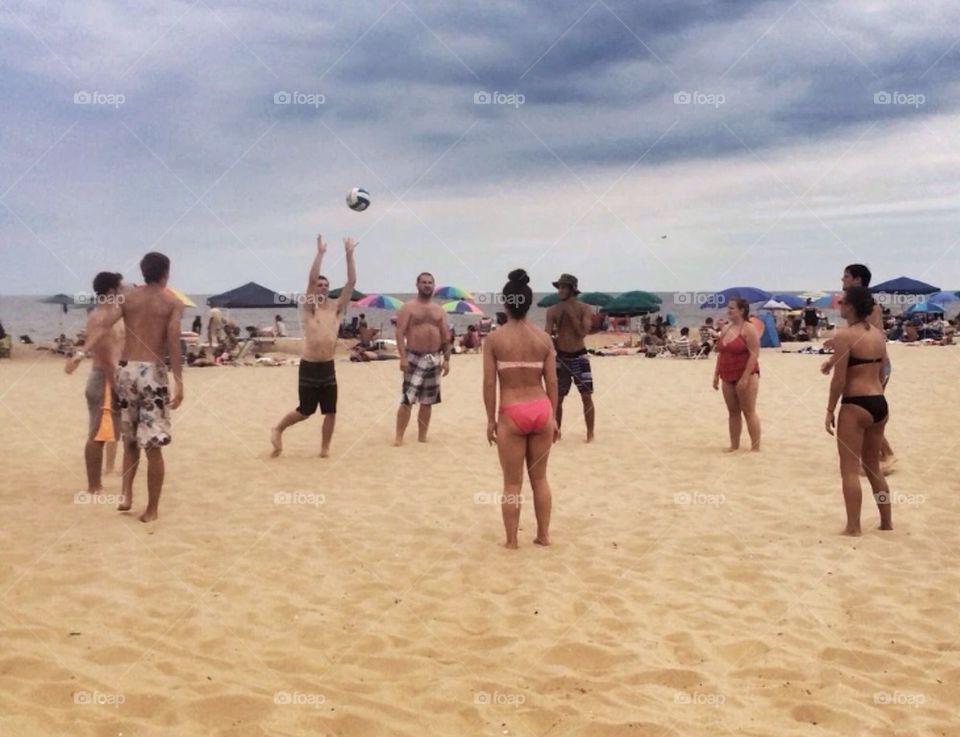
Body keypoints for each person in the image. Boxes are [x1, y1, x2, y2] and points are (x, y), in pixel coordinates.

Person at [82, 252, 184, 522]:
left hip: (126, 370)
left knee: (129, 440)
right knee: (154, 445)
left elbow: (103, 325)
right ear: (166, 273)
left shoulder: (128, 298)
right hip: (152, 372)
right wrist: (179, 380)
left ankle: (126, 494)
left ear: (143, 272)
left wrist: (81, 353)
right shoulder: (172, 302)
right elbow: (173, 343)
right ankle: (151, 509)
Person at [483, 269, 558, 548]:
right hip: (541, 409)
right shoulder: (543, 339)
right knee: (540, 478)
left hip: (512, 411)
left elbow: (489, 384)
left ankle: (512, 541)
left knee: (512, 484)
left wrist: (490, 419)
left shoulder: (495, 339)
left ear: (505, 304)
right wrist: (554, 417)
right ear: (528, 304)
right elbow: (552, 383)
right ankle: (543, 536)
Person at [270, 234, 357, 458]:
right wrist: (320, 254)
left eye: (325, 285)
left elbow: (351, 283)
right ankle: (278, 428)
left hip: (327, 366)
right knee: (305, 411)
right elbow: (309, 281)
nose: (322, 287)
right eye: (319, 284)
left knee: (330, 411)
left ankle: (325, 448)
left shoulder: (337, 307)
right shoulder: (309, 308)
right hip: (309, 366)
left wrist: (348, 255)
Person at [822, 287, 892, 536]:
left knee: (849, 469)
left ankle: (853, 526)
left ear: (850, 306)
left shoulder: (845, 335)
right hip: (879, 402)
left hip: (855, 403)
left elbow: (839, 380)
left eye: (842, 302)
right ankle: (886, 522)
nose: (839, 305)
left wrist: (830, 409)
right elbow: (883, 369)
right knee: (873, 466)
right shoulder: (877, 335)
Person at [64, 272, 124, 492]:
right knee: (97, 434)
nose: (123, 290)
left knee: (109, 432)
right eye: (120, 287)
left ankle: (100, 479)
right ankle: (94, 486)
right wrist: (116, 387)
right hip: (104, 378)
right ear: (111, 291)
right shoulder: (99, 317)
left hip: (112, 376)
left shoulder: (114, 315)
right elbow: (106, 356)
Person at [836, 264, 895, 473]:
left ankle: (886, 454)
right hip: (872, 362)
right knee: (867, 407)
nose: (842, 279)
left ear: (857, 280)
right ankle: (878, 455)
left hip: (875, 363)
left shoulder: (866, 305)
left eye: (846, 276)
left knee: (865, 406)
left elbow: (866, 337)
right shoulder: (863, 305)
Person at [394, 272, 450, 445]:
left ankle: (422, 436)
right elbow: (399, 332)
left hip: (433, 357)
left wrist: (447, 359)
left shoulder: (438, 309)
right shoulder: (408, 307)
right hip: (414, 356)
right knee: (408, 399)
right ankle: (399, 437)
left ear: (434, 285)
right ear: (417, 285)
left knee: (428, 400)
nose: (427, 285)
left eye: (430, 282)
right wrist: (402, 357)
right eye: (424, 282)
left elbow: (445, 335)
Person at [544, 273, 595, 441]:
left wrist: (570, 312)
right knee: (558, 398)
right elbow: (546, 336)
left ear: (572, 289)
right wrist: (554, 340)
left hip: (580, 355)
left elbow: (582, 333)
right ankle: (556, 433)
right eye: (559, 287)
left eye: (564, 287)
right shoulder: (552, 310)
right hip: (561, 357)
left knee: (586, 396)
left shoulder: (585, 308)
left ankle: (590, 433)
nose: (560, 290)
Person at [713, 297, 761, 451]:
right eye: (728, 307)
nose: (728, 310)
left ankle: (755, 448)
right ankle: (734, 446)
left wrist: (745, 377)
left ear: (741, 310)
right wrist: (716, 374)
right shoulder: (726, 328)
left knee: (749, 411)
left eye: (732, 308)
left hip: (746, 373)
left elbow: (754, 354)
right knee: (733, 412)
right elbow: (721, 353)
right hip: (727, 374)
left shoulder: (749, 329)